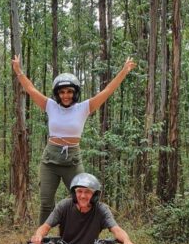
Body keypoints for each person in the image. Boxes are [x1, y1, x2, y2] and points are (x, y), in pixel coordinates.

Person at [11, 54, 136, 224]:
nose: (66, 95)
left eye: (69, 92)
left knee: (83, 200)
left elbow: (107, 91)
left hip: (73, 160)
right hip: (50, 160)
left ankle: (81, 238)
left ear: (75, 93)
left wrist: (124, 71)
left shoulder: (83, 108)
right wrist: (18, 71)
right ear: (57, 94)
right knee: (47, 203)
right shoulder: (50, 106)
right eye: (62, 92)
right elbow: (31, 90)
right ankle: (42, 240)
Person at [31, 172, 137, 244]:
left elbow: (116, 229)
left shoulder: (101, 209)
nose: (82, 196)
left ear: (95, 195)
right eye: (79, 191)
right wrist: (38, 236)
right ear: (74, 193)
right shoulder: (64, 206)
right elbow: (45, 226)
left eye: (87, 192)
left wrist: (127, 241)